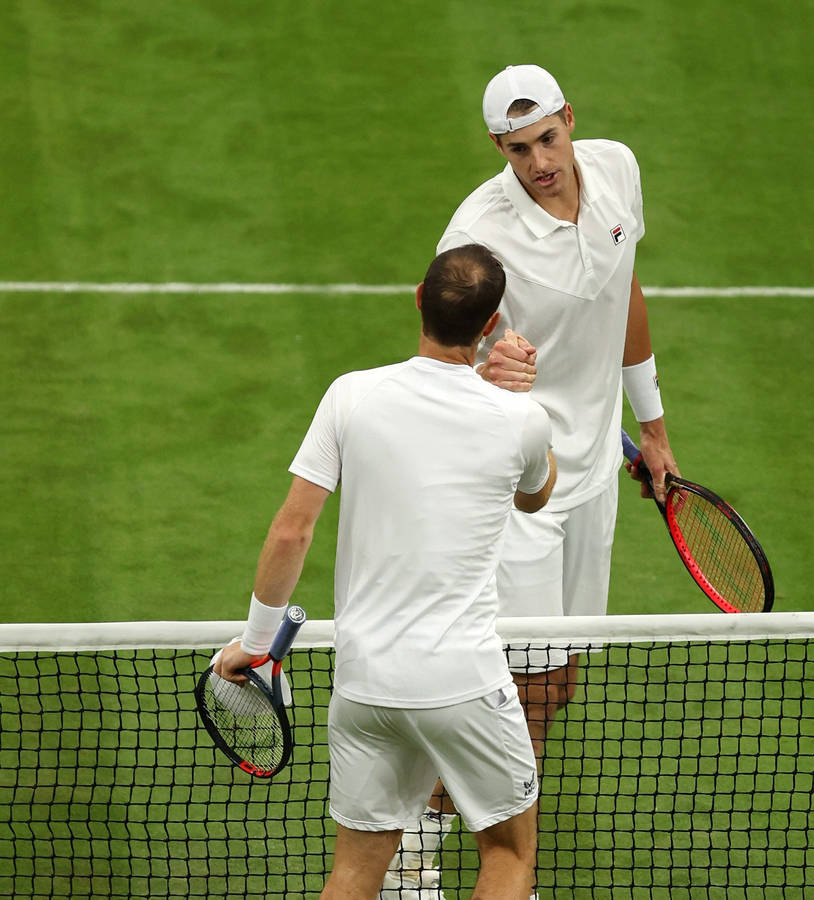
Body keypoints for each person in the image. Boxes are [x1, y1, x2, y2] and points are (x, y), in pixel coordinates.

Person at [385, 64, 679, 896]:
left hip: (593, 480)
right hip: (517, 483)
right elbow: (443, 359)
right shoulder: (477, 231)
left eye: (548, 138)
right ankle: (428, 845)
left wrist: (651, 428)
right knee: (512, 685)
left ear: (569, 120)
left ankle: (468, 841)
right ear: (498, 149)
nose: (540, 161)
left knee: (555, 683)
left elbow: (625, 294)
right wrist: (489, 371)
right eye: (519, 149)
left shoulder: (616, 169)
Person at [214, 243, 557, 900]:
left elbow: (293, 528)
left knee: (354, 870)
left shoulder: (351, 396)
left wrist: (258, 646)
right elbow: (535, 494)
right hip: (463, 683)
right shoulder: (522, 420)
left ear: (419, 298)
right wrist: (515, 399)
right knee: (509, 854)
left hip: (366, 686)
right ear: (490, 327)